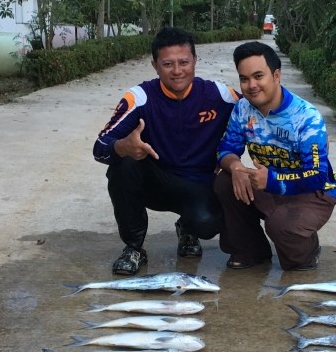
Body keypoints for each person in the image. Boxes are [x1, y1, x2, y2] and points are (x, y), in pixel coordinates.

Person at [92, 27, 239, 275]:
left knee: (208, 223)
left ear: (195, 61)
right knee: (123, 164)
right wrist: (123, 146)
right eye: (168, 64)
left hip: (199, 184)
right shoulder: (140, 97)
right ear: (155, 66)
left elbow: (260, 107)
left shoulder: (219, 95)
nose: (177, 70)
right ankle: (134, 247)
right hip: (156, 182)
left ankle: (188, 228)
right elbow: (100, 147)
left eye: (184, 62)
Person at [214, 41, 336, 271]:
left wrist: (272, 181)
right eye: (244, 79)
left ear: (276, 75)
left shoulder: (307, 117)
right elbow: (226, 149)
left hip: (312, 191)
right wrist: (234, 166)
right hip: (268, 185)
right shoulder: (242, 109)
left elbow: (317, 174)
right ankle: (251, 250)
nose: (251, 85)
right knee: (225, 181)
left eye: (258, 76)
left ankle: (308, 252)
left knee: (281, 225)